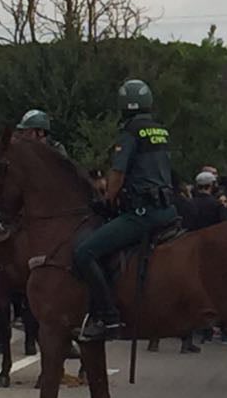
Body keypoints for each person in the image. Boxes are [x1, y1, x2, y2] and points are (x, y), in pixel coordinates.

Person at [70, 79, 177, 341]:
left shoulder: (130, 132)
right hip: (167, 210)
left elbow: (117, 173)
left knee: (84, 252)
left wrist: (108, 199)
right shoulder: (160, 131)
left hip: (142, 213)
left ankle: (108, 317)